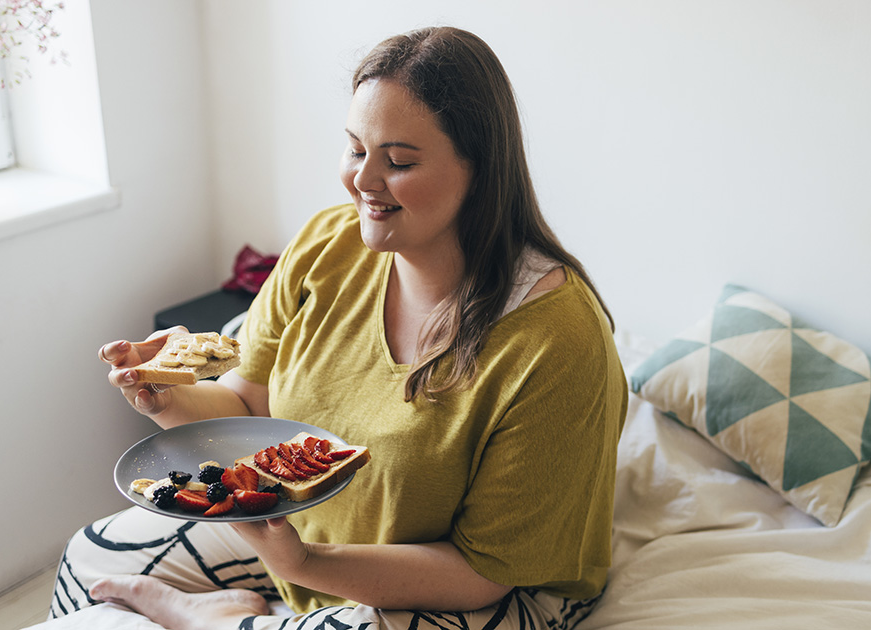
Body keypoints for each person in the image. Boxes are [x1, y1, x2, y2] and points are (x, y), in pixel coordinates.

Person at [45, 26, 626, 630]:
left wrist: (304, 564)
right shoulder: (329, 243)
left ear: (480, 169)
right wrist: (162, 394)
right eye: (355, 149)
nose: (363, 182)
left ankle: (216, 620)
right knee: (86, 559)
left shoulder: (557, 341)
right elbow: (247, 405)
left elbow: (485, 571)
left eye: (398, 161)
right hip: (304, 534)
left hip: (488, 587)